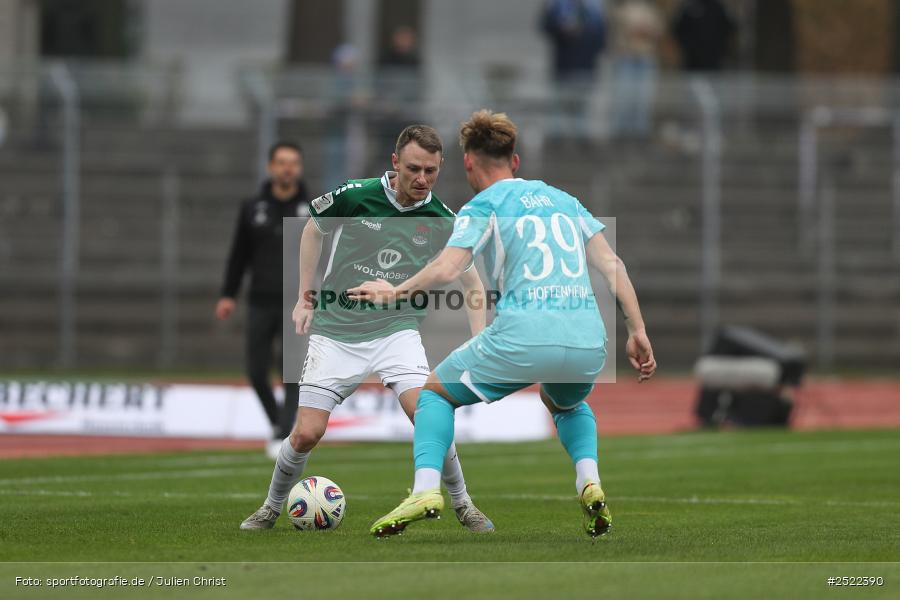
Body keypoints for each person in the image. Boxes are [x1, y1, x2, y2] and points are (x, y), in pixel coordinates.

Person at [350, 110, 656, 538]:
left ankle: (424, 491)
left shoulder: (482, 205)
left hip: (526, 334)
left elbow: (446, 268)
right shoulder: (565, 200)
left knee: (434, 394)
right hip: (589, 341)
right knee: (566, 402)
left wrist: (394, 291)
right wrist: (637, 330)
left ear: (468, 163)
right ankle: (589, 482)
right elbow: (613, 264)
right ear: (515, 161)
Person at [240, 125, 494, 533]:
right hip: (336, 330)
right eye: (414, 168)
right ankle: (270, 507)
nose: (422, 179)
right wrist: (306, 295)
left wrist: (479, 340)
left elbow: (472, 283)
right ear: (395, 163)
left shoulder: (442, 219)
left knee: (427, 412)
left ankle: (464, 504)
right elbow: (312, 230)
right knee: (306, 433)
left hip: (397, 330)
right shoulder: (356, 194)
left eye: (431, 171)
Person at [216, 142, 310, 459]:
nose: (287, 168)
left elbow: (325, 256)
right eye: (282, 162)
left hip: (295, 303)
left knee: (291, 369)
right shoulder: (253, 206)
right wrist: (228, 294)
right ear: (271, 166)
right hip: (259, 299)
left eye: (293, 163)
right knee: (256, 370)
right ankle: (277, 423)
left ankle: (284, 433)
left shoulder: (314, 208)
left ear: (299, 168)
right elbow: (238, 254)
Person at [540, 0, 608, 139]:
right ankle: (556, 143)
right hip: (563, 68)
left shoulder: (594, 9)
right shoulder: (558, 6)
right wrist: (562, 29)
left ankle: (579, 144)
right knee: (558, 111)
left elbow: (601, 40)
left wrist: (582, 37)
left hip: (585, 68)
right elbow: (546, 27)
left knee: (581, 111)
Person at [609, 0, 663, 140]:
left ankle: (639, 135)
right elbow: (622, 28)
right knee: (624, 97)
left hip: (645, 58)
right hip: (626, 58)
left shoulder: (650, 10)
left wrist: (646, 29)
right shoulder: (621, 8)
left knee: (643, 99)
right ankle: (621, 134)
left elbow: (657, 30)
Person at [671, 0, 736, 72]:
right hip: (692, 60)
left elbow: (729, 28)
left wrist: (722, 47)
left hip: (714, 58)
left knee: (714, 79)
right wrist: (687, 45)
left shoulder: (718, 7)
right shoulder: (689, 7)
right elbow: (678, 29)